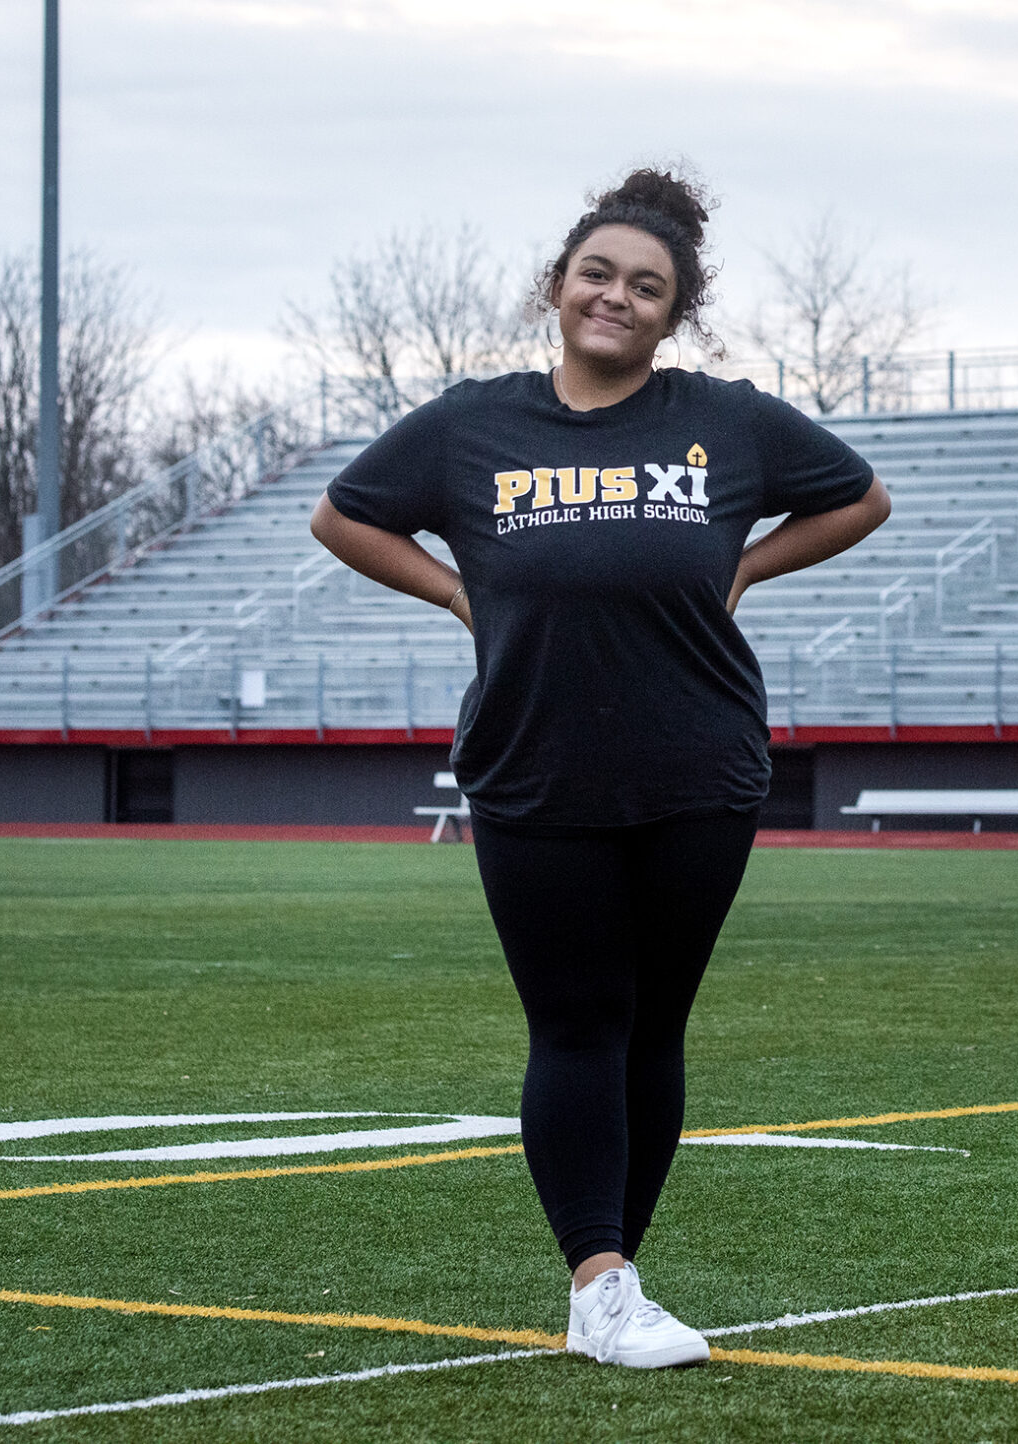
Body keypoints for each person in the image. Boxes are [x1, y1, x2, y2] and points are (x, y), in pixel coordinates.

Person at [310, 168, 890, 1368]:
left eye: (646, 286)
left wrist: (743, 569)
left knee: (654, 1027)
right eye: (597, 275)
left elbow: (860, 499)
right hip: (534, 763)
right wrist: (459, 590)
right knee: (575, 1021)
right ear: (556, 285)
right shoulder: (476, 425)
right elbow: (343, 515)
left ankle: (608, 1282)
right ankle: (603, 1280)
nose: (615, 298)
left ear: (673, 313)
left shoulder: (725, 420)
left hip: (701, 764)